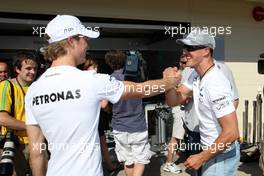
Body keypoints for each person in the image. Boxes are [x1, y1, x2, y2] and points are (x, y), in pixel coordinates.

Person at [25, 15, 181, 176]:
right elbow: (140, 90)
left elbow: (36, 151)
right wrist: (170, 81)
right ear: (72, 41)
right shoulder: (90, 80)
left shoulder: (34, 90)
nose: (88, 44)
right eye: (85, 38)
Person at [163, 29, 240, 176]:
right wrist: (169, 83)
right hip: (213, 152)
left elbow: (232, 132)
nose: (185, 52)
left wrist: (202, 157)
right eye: (184, 48)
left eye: (191, 48)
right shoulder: (195, 75)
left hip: (220, 156)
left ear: (206, 51)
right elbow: (174, 100)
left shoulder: (215, 82)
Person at [105, 49, 154, 176]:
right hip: (138, 125)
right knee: (140, 160)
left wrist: (110, 110)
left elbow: (104, 104)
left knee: (127, 160)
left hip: (119, 126)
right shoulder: (136, 77)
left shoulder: (109, 79)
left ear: (110, 63)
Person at [0, 51, 38, 176]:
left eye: (35, 68)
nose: (32, 72)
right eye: (28, 68)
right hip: (15, 145)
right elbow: (3, 119)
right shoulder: (6, 85)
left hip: (37, 143)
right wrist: (33, 127)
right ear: (17, 69)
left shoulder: (38, 87)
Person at [83, 58, 121, 173]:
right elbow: (104, 104)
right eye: (93, 67)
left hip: (85, 118)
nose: (96, 69)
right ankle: (109, 165)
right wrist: (108, 109)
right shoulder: (96, 81)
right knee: (102, 141)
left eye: (96, 67)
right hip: (96, 117)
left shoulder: (80, 82)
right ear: (87, 68)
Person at [162, 55, 189, 174]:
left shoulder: (184, 73)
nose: (184, 63)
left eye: (186, 61)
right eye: (183, 62)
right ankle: (169, 163)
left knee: (182, 137)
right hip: (179, 109)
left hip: (183, 109)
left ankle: (178, 154)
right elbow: (178, 93)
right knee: (175, 138)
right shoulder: (179, 75)